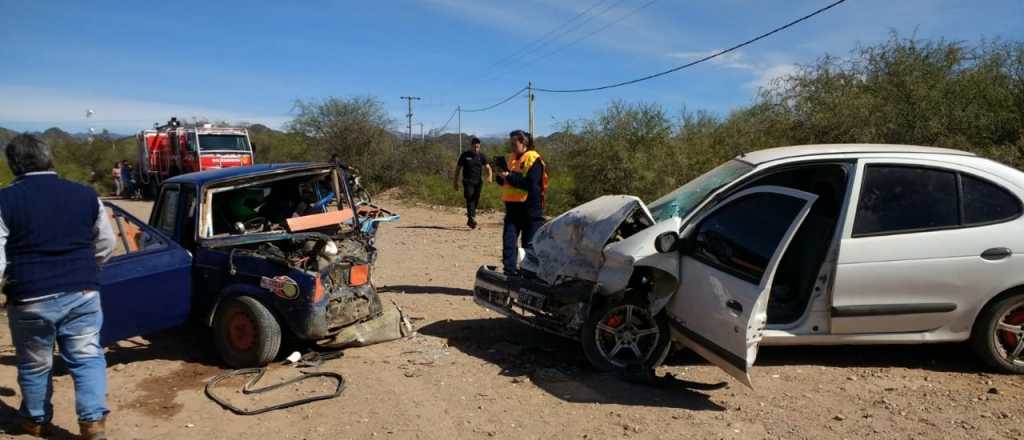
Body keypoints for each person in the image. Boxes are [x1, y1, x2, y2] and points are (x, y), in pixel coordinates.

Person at [0, 134, 116, 439]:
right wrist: (89, 271)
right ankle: (92, 424)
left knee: (35, 363)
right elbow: (106, 242)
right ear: (49, 158)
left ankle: (35, 421)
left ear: (14, 165)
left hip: (29, 297)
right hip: (83, 294)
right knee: (87, 356)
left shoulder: (4, 200)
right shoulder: (86, 194)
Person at [496, 130, 547, 275]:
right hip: (513, 209)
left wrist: (509, 177)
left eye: (514, 143)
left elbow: (531, 184)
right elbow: (505, 182)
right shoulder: (511, 159)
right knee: (509, 243)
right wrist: (501, 176)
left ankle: (528, 277)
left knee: (529, 245)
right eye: (510, 143)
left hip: (530, 209)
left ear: (523, 143)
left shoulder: (534, 159)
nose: (511, 146)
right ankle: (509, 274)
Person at [453, 137, 492, 229]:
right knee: (469, 197)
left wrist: (490, 176)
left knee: (476, 199)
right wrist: (455, 182)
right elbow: (458, 169)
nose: (476, 149)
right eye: (474, 147)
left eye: (478, 147)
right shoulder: (464, 155)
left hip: (478, 182)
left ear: (480, 146)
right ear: (471, 146)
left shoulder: (481, 156)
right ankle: (472, 218)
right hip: (467, 181)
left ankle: (471, 218)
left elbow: (488, 168)